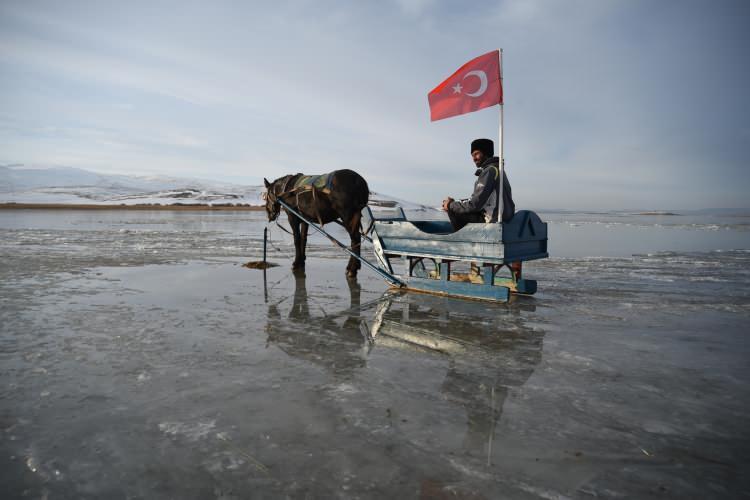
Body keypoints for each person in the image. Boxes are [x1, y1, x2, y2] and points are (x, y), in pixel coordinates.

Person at [442, 138, 515, 231]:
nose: (474, 158)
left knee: (454, 211)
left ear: (486, 152)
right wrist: (455, 202)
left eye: (476, 154)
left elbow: (475, 205)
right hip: (504, 219)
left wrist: (450, 205)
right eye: (472, 155)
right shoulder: (498, 170)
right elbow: (478, 200)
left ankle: (462, 241)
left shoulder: (490, 171)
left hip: (493, 220)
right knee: (454, 206)